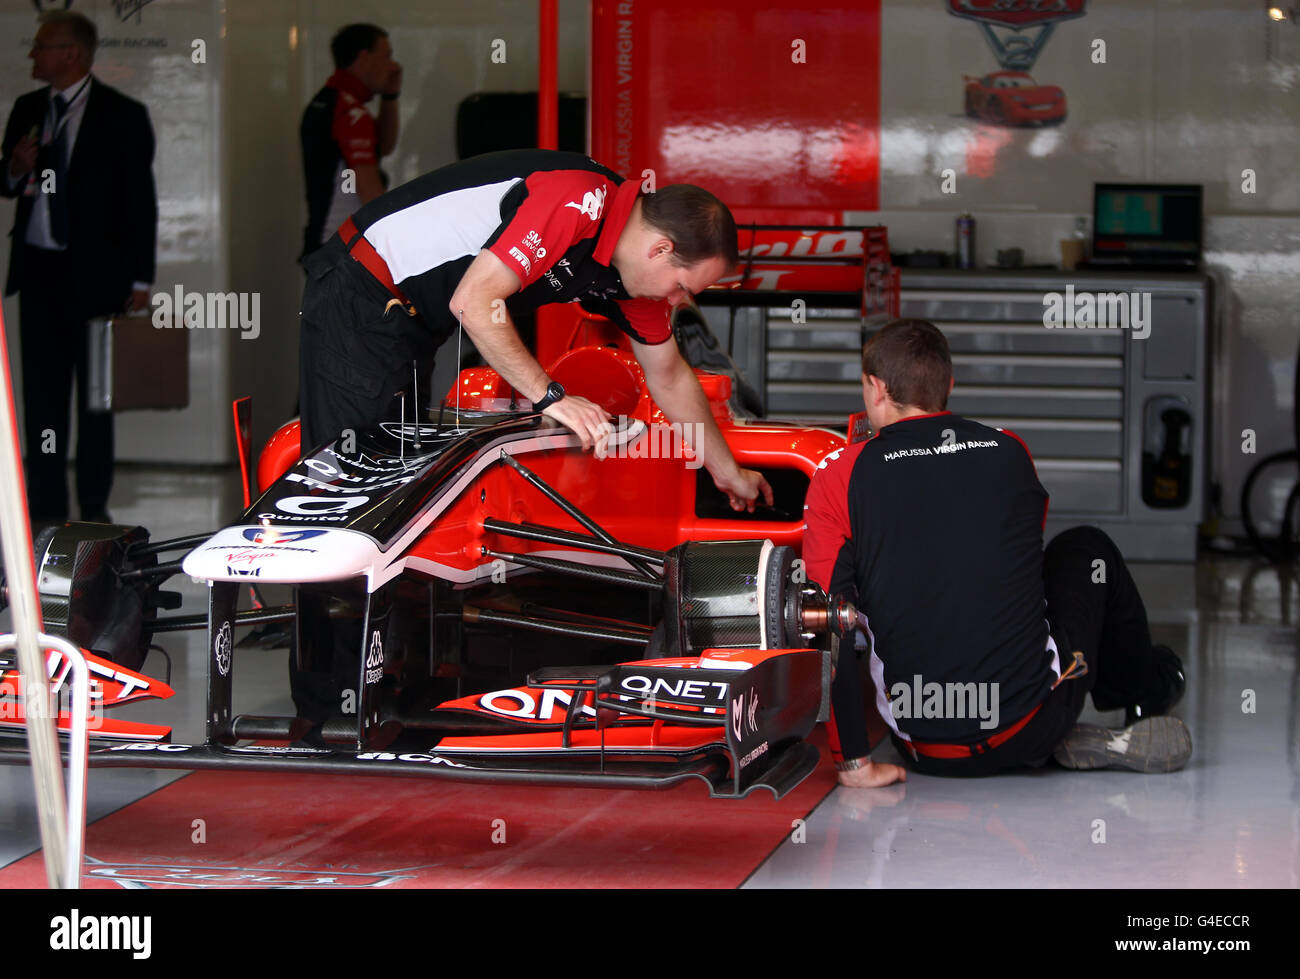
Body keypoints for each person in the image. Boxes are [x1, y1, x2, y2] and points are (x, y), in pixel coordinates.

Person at [802, 319, 1190, 787]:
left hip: (925, 746)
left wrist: (853, 763)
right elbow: (1016, 566)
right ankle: (1147, 692)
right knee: (1088, 551)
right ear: (949, 384)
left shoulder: (838, 476)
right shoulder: (1009, 450)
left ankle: (1070, 724)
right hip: (1030, 725)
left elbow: (828, 619)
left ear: (875, 387)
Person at [298, 148, 772, 511]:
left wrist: (727, 472)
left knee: (396, 493)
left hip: (411, 325)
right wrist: (553, 397)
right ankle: (319, 627)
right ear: (661, 250)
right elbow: (475, 302)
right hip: (360, 292)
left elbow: (668, 376)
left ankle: (379, 637)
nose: (677, 302)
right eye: (682, 287)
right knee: (348, 494)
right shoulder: (578, 199)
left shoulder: (632, 283)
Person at [0, 10, 157, 526]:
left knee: (96, 401)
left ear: (71, 54)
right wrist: (16, 169)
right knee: (42, 400)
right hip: (40, 273)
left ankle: (93, 505)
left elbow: (140, 202)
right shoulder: (27, 108)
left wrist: (140, 279)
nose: (32, 55)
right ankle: (44, 506)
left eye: (41, 46)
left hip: (99, 280)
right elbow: (6, 181)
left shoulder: (123, 114)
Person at [300, 23, 402, 259]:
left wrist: (390, 95)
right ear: (365, 58)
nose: (392, 66)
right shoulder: (349, 112)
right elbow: (370, 193)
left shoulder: (331, 101)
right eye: (386, 56)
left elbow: (383, 147)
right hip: (343, 248)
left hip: (328, 241)